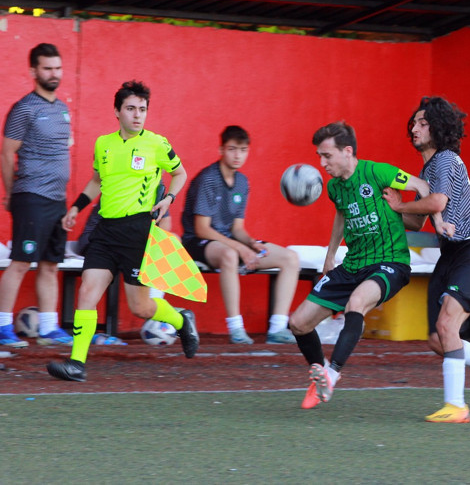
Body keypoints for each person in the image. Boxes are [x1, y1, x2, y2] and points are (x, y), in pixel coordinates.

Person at [46, 80, 199, 382]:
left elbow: (180, 172)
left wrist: (168, 199)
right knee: (88, 291)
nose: (137, 115)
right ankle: (76, 363)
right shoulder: (103, 144)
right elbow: (96, 181)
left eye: (142, 109)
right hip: (105, 232)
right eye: (131, 108)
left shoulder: (157, 143)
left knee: (141, 307)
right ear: (117, 111)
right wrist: (76, 207)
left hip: (138, 232)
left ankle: (181, 319)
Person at [384, 97, 470, 424]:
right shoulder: (427, 169)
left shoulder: (445, 159)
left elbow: (437, 202)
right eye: (414, 123)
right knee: (438, 339)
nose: (414, 129)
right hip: (449, 257)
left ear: (439, 127)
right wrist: (385, 209)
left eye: (422, 123)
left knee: (446, 327)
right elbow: (417, 223)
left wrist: (400, 206)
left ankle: (457, 406)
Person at [289, 121, 431, 410]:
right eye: (319, 156)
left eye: (326, 156)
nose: (321, 163)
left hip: (390, 261)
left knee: (356, 304)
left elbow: (423, 186)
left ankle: (331, 374)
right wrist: (331, 255)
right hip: (353, 264)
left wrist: (416, 217)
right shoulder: (333, 188)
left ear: (347, 151)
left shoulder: (378, 172)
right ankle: (320, 375)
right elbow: (342, 215)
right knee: (298, 323)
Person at [181, 125, 301, 344]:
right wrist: (239, 248)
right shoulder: (207, 179)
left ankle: (277, 329)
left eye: (243, 150)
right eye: (232, 149)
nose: (238, 155)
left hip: (229, 240)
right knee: (228, 255)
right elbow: (202, 228)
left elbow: (237, 229)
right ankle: (236, 328)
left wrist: (250, 243)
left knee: (290, 258)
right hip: (198, 242)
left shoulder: (243, 182)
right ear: (221, 149)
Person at [0, 43, 74, 348]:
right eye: (47, 68)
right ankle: (3, 326)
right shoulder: (24, 109)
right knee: (20, 262)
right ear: (34, 71)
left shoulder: (63, 109)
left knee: (50, 265)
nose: (53, 74)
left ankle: (48, 327)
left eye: (57, 67)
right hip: (31, 196)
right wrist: (10, 194)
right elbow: (6, 154)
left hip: (57, 200)